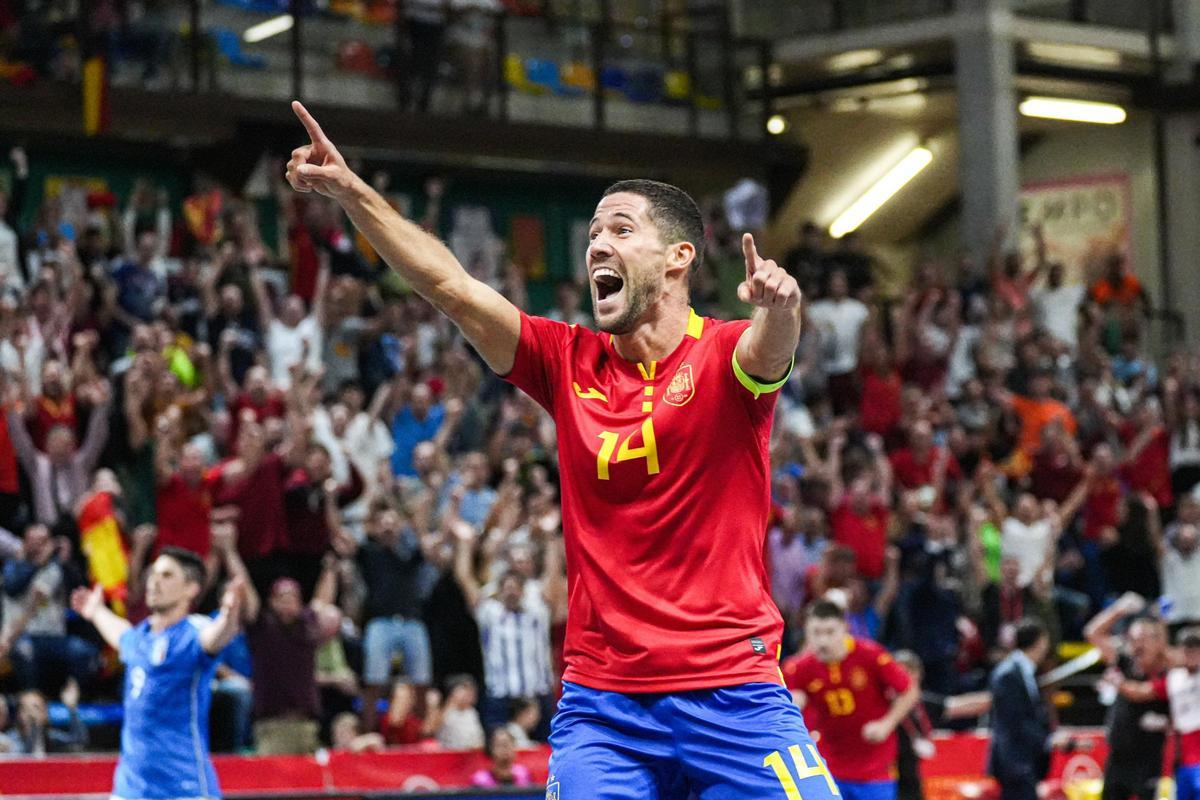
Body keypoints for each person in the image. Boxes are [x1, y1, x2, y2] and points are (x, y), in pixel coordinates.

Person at [286, 102, 827, 799]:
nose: (597, 244)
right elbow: (449, 286)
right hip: (605, 709)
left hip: (734, 693)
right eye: (593, 232)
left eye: (621, 230)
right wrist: (352, 191)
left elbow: (770, 349)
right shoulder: (565, 361)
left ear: (677, 258)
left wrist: (782, 307)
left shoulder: (724, 356)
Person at [70, 547, 244, 800]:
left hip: (185, 788)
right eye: (153, 574)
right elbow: (121, 634)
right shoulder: (140, 637)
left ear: (191, 589)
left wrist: (229, 617)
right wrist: (96, 611)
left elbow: (216, 636)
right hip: (130, 790)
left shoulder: (193, 632)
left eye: (167, 575)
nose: (154, 581)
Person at [783, 600, 921, 800]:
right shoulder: (797, 668)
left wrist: (886, 724)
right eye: (816, 633)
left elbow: (909, 690)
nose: (823, 641)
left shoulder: (871, 655)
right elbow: (789, 705)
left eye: (830, 632)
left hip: (875, 768)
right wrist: (794, 705)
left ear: (845, 628)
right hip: (828, 766)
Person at [1085, 594, 1170, 800]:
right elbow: (1092, 633)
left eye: (1143, 640)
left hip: (1148, 758)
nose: (1137, 646)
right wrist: (1119, 609)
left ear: (1158, 642)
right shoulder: (1124, 661)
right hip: (1118, 755)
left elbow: (1140, 692)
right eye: (1132, 639)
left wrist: (1117, 683)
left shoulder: (1167, 670)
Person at [1120, 628, 1200, 800]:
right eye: (1187, 650)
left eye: (1195, 650)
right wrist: (1117, 682)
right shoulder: (1175, 678)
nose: (1191, 655)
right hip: (1182, 754)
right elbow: (1142, 691)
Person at [987, 618, 1054, 800]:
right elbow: (1014, 720)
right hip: (1014, 763)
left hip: (1025, 761)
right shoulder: (1008, 674)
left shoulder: (1025, 672)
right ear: (1039, 642)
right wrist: (1048, 740)